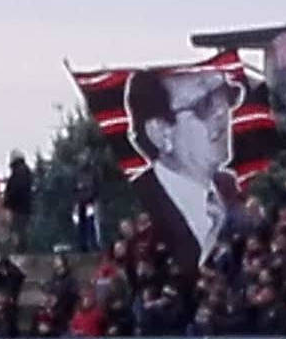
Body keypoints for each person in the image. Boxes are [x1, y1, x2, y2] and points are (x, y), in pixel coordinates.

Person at [124, 68, 241, 270]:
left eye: (226, 97)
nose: (223, 112)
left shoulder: (231, 188)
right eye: (204, 105)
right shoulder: (140, 199)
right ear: (160, 134)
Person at [3, 151, 34, 253]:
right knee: (22, 230)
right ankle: (22, 249)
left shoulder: (18, 173)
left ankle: (20, 250)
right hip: (26, 206)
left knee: (18, 230)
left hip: (18, 207)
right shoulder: (27, 172)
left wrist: (8, 203)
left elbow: (15, 190)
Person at [72, 157, 100, 253]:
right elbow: (74, 189)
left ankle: (93, 244)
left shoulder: (91, 173)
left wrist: (91, 198)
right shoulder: (78, 174)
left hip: (89, 202)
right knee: (82, 225)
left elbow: (96, 188)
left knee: (90, 224)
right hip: (81, 203)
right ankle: (83, 245)